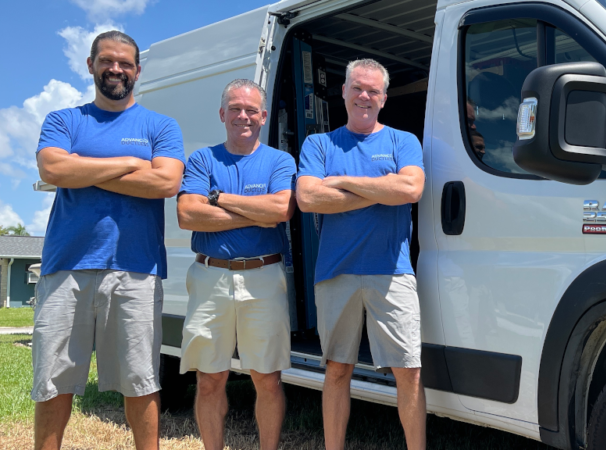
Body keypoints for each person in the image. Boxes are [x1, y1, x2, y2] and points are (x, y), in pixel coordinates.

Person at [33, 30, 186, 450]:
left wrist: (85, 167)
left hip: (136, 269)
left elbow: (167, 181)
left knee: (141, 382)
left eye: (124, 63)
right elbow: (53, 169)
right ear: (90, 65)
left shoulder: (160, 125)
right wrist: (130, 163)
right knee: (53, 382)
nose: (115, 69)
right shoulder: (65, 120)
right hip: (66, 267)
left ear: (138, 70)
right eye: (106, 60)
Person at [296, 58, 427, 450]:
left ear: (384, 98)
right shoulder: (319, 143)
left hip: (393, 273)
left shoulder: (403, 141)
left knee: (409, 372)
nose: (364, 96)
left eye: (372, 90)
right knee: (337, 370)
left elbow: (410, 191)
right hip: (336, 273)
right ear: (344, 92)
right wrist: (380, 187)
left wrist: (343, 183)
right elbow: (307, 198)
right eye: (357, 87)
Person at [176, 78, 296, 450]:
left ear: (262, 116)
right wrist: (256, 214)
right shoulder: (201, 159)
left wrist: (219, 199)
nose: (242, 116)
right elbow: (187, 215)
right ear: (222, 114)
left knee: (267, 379)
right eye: (235, 109)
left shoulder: (279, 160)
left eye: (250, 110)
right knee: (210, 379)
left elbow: (281, 210)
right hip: (210, 276)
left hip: (263, 276)